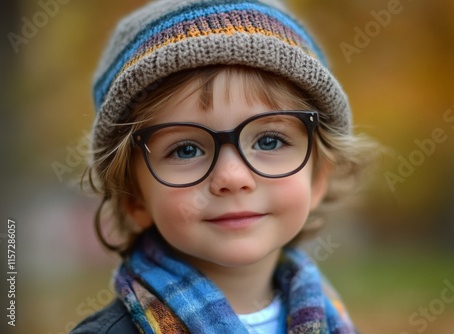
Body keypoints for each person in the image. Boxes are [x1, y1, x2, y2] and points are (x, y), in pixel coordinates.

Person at [73, 0, 376, 333]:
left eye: (269, 141)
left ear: (318, 178)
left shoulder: (331, 319)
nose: (233, 177)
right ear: (134, 198)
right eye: (186, 150)